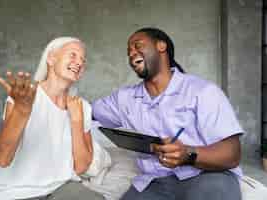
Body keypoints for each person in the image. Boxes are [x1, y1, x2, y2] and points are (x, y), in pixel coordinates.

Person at [92, 27, 243, 200]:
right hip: (155, 182)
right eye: (129, 51)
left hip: (207, 176)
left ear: (161, 46)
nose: (132, 53)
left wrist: (188, 154)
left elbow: (232, 153)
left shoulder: (203, 91)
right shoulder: (124, 98)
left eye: (137, 45)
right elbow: (86, 110)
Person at [0, 37, 107, 200]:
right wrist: (22, 111)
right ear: (51, 58)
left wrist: (76, 121)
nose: (79, 62)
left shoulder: (82, 107)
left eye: (82, 60)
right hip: (18, 191)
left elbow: (81, 167)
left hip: (62, 187)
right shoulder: (24, 97)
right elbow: (2, 158)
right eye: (73, 55)